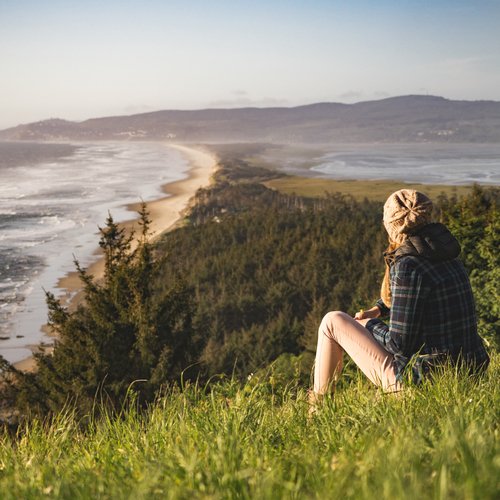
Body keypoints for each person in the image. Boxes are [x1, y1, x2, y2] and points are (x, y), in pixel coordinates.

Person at [309, 189, 490, 406]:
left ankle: (318, 407)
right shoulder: (446, 254)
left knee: (332, 321)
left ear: (392, 226)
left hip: (427, 382)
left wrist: (370, 324)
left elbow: (400, 345)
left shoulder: (409, 266)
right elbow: (418, 297)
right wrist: (378, 309)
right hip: (472, 372)